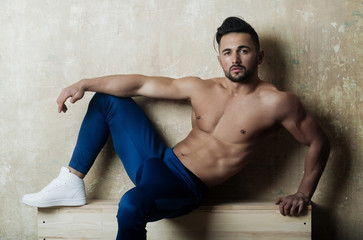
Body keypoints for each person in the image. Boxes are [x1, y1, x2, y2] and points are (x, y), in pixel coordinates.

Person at [22, 16, 330, 239]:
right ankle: (72, 180)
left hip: (186, 187)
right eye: (227, 52)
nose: (235, 59)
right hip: (158, 162)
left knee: (131, 204)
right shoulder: (202, 88)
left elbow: (319, 142)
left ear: (259, 55)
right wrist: (83, 83)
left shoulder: (278, 103)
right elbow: (142, 83)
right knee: (107, 99)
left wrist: (303, 193)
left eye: (244, 51)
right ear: (220, 59)